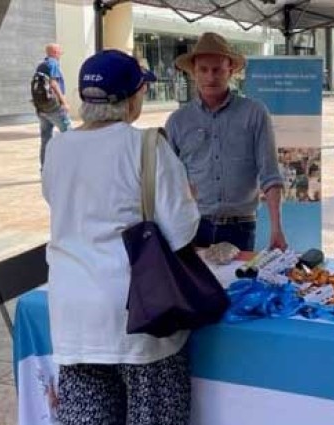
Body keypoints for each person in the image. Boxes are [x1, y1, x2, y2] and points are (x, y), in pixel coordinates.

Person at [42, 49, 197, 425]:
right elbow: (181, 231)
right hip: (138, 317)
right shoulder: (147, 145)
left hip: (73, 316)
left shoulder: (57, 147)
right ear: (131, 98)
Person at [166, 32, 285, 252]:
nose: (210, 77)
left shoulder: (254, 113)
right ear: (193, 72)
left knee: (239, 276)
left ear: (230, 71)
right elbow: (169, 182)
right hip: (193, 227)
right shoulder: (177, 121)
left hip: (240, 227)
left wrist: (277, 228)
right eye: (203, 70)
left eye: (217, 69)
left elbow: (270, 174)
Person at [36, 43, 72, 167]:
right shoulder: (53, 64)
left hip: (42, 107)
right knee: (69, 135)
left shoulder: (41, 65)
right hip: (54, 107)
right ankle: (69, 166)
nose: (61, 54)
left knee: (45, 139)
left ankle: (44, 168)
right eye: (60, 51)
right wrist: (64, 102)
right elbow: (54, 84)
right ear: (55, 52)